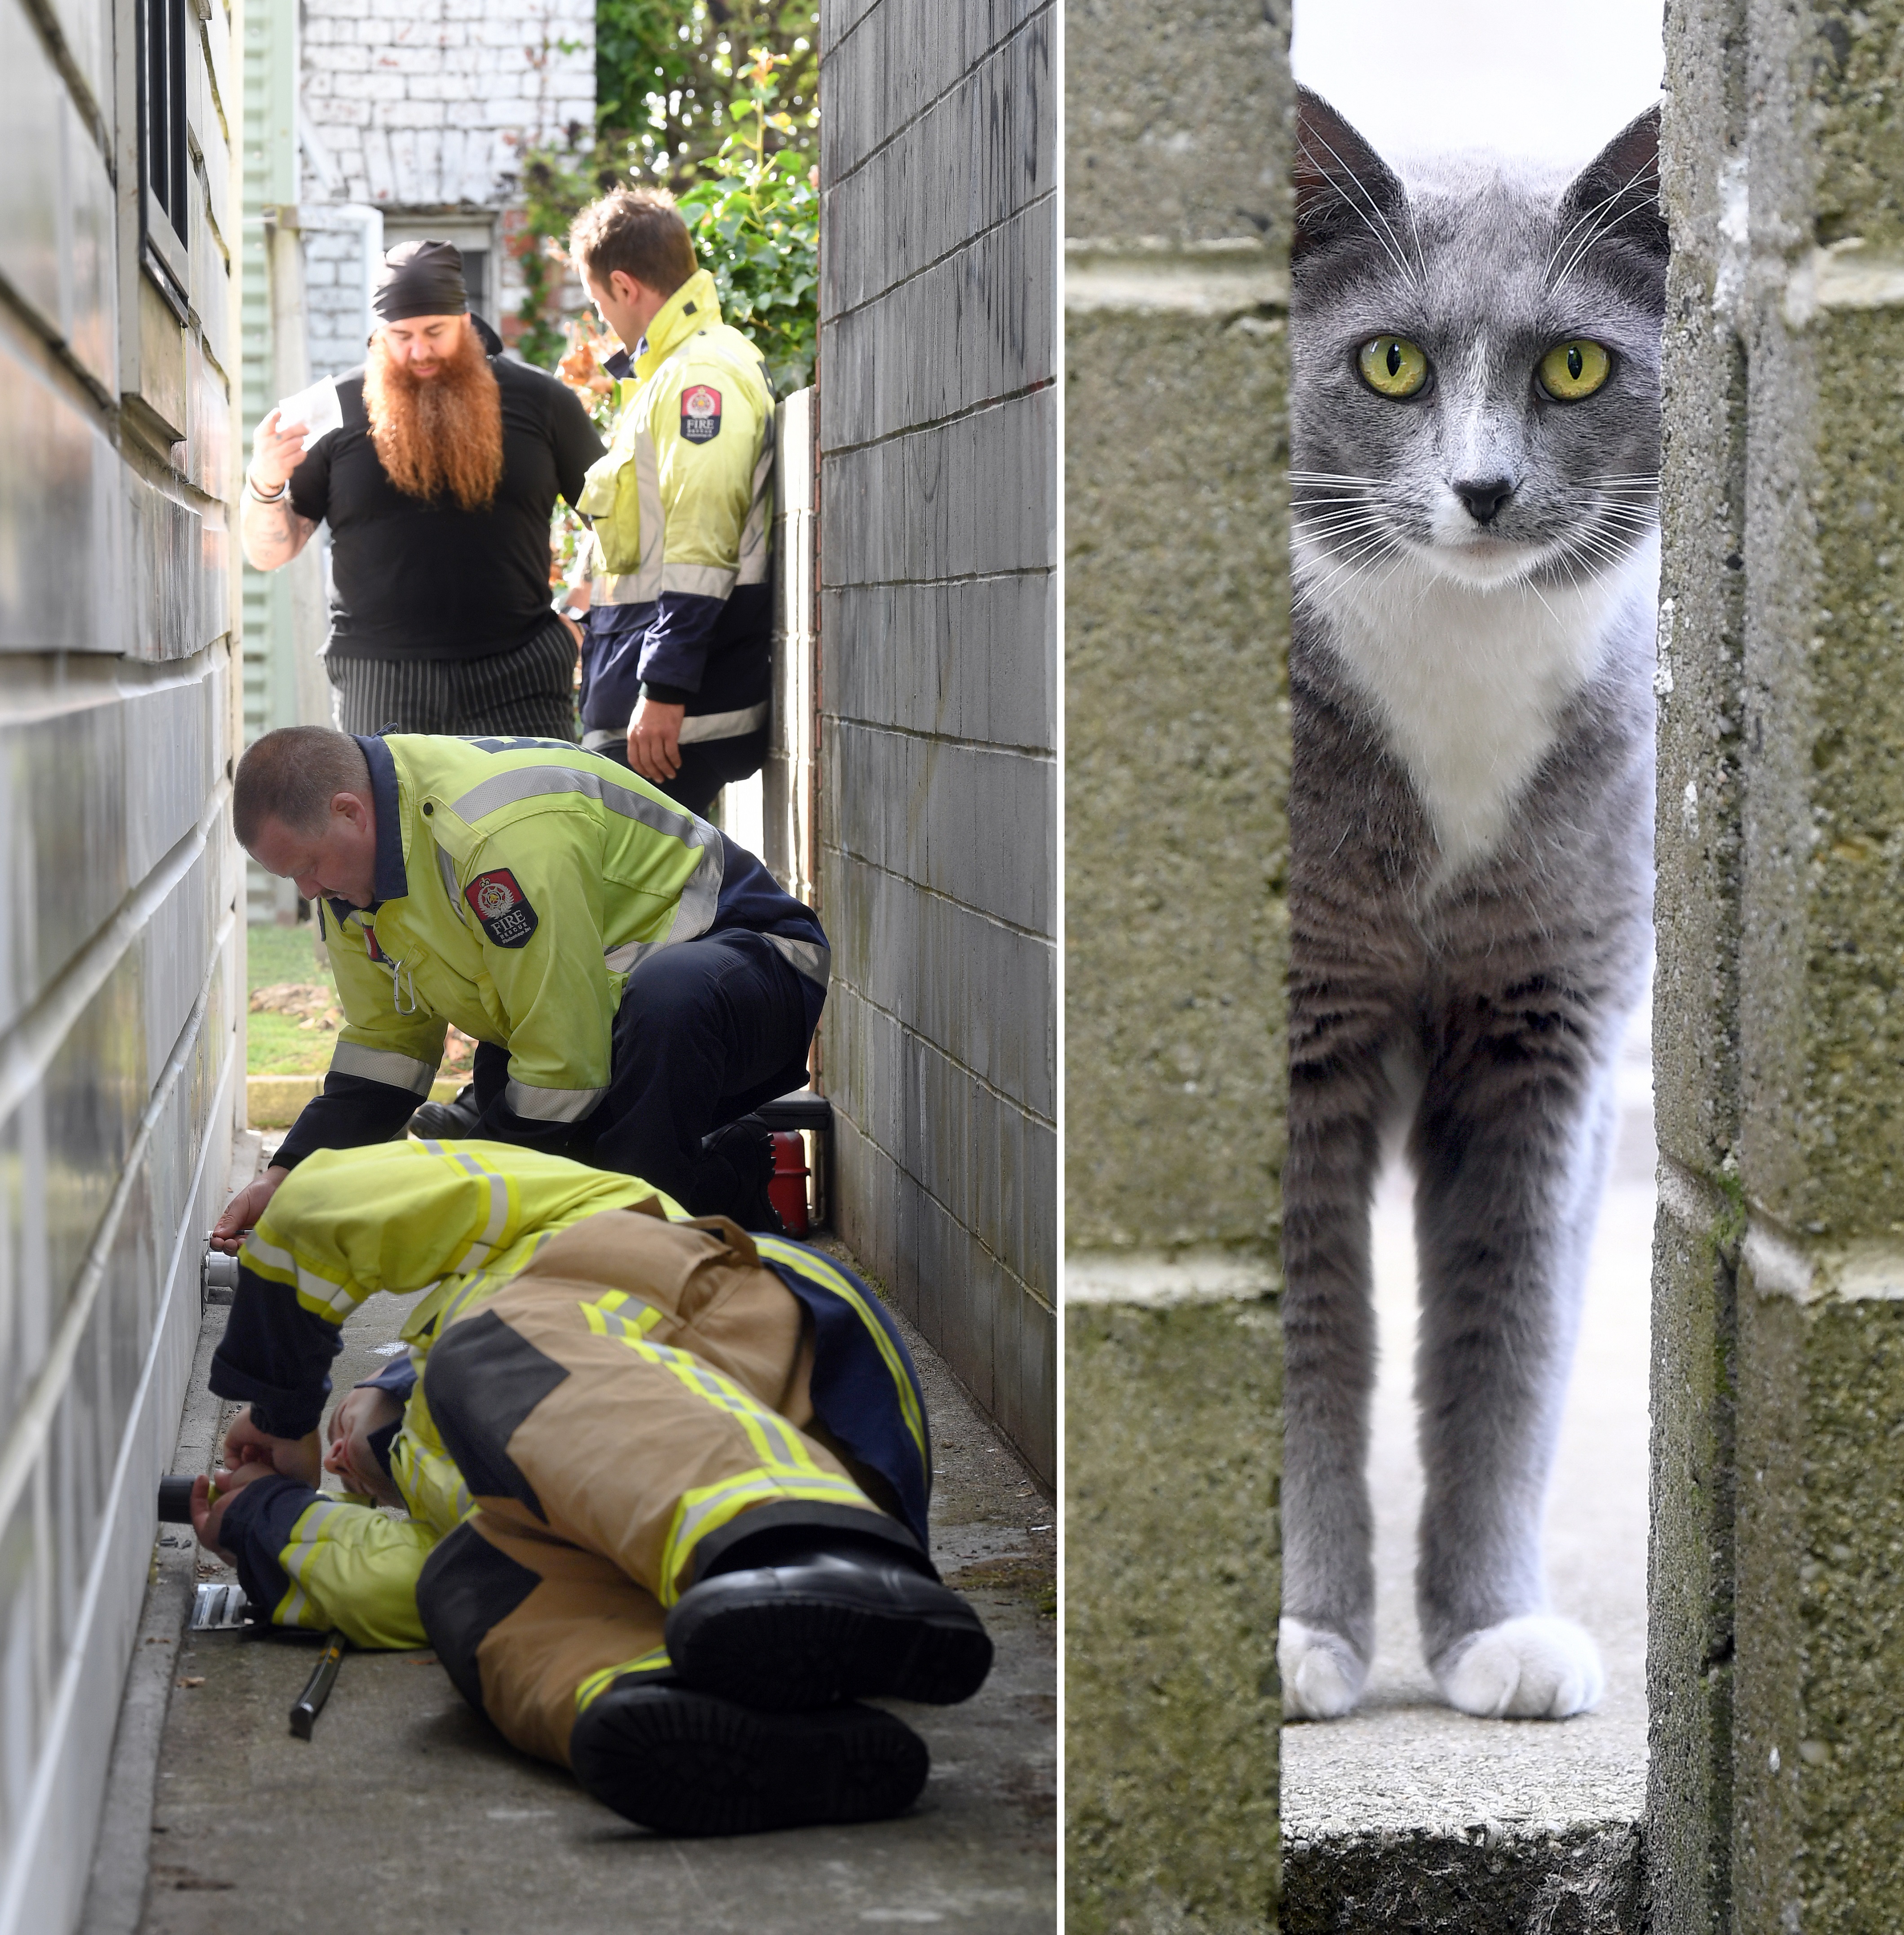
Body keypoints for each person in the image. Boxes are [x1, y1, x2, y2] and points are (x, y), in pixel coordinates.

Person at [191, 1140, 992, 1835]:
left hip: (768, 1356)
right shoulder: (491, 1493)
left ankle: (807, 1548)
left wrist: (284, 1410)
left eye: (337, 1438)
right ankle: (709, 1706)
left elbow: (327, 1206)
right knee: (465, 1586)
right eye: (345, 1477)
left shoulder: (553, 1249)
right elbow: (389, 1588)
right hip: (696, 1547)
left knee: (491, 1358)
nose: (336, 1459)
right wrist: (265, 1516)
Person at [212, 726, 829, 1249]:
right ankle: (723, 1180)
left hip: (757, 966)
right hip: (607, 1009)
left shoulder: (493, 834)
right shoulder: (352, 885)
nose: (309, 893)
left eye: (308, 867)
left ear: (350, 811)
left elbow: (564, 1062)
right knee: (523, 1108)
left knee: (655, 1017)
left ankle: (636, 1254)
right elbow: (387, 1047)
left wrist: (477, 1191)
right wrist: (287, 1175)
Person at [242, 239, 604, 742]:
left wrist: (582, 610)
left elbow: (611, 518)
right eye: (401, 335)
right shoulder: (333, 410)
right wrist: (263, 481)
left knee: (530, 820)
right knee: (392, 824)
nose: (419, 351)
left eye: (436, 332)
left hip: (520, 674)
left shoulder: (542, 401)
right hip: (380, 680)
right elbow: (270, 552)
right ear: (377, 335)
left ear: (466, 320)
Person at [564, 188, 776, 814]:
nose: (603, 322)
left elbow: (701, 540)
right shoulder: (669, 375)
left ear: (626, 287)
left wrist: (664, 686)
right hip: (656, 710)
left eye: (599, 304)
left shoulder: (697, 377)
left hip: (676, 718)